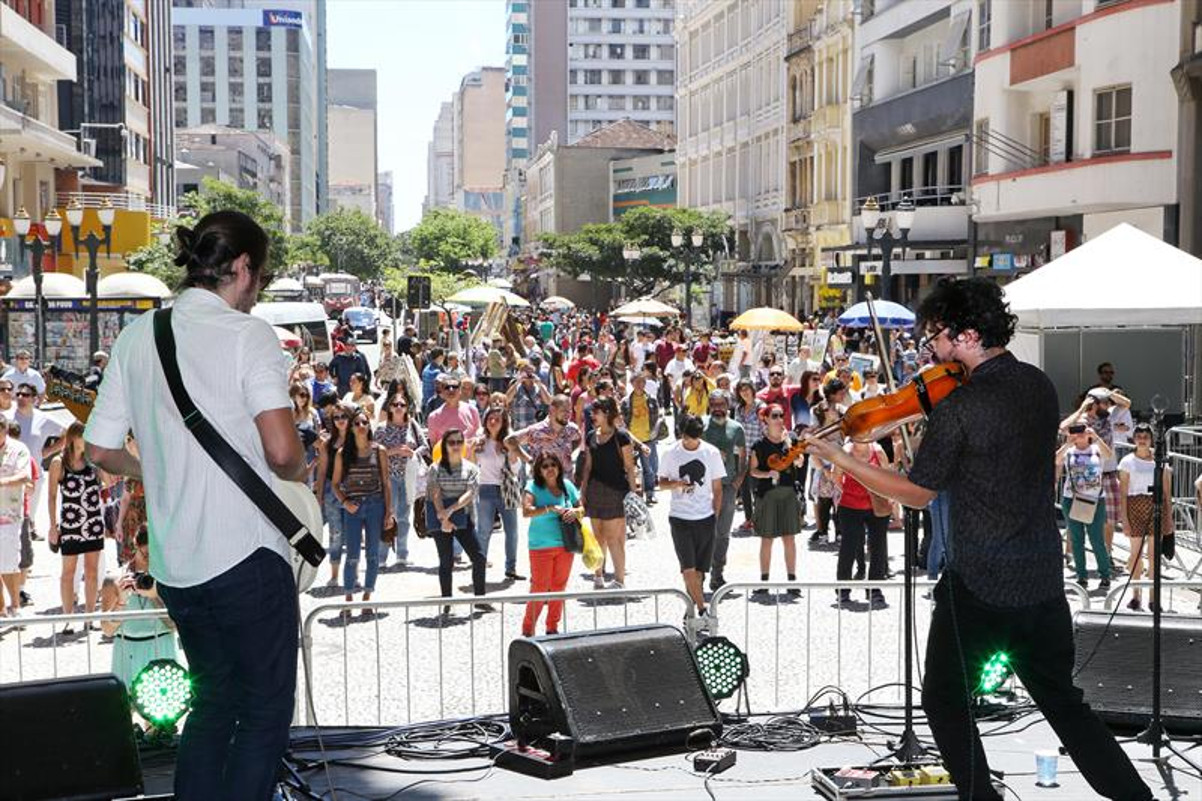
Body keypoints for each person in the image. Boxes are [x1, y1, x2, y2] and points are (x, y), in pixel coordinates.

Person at [803, 276, 1151, 801]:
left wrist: (842, 457)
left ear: (965, 336)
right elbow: (991, 433)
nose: (932, 350)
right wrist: (900, 417)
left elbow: (918, 493)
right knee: (1063, 703)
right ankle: (1134, 797)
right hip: (1040, 577)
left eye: (938, 337)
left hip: (980, 584)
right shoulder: (1039, 385)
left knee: (944, 700)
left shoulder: (960, 407)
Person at [85, 210, 309, 801]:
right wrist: (301, 471)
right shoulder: (247, 335)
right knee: (263, 714)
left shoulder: (139, 335)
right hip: (246, 556)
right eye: (256, 277)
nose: (255, 292)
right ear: (239, 267)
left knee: (212, 703)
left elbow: (101, 448)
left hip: (179, 568)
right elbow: (283, 452)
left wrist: (153, 468)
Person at [658, 413, 725, 621]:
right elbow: (661, 483)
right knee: (687, 569)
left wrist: (715, 515)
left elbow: (717, 488)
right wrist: (677, 484)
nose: (688, 442)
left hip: (705, 517)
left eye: (693, 438)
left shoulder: (711, 453)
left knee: (699, 573)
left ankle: (690, 610)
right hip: (680, 517)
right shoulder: (670, 453)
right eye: (686, 437)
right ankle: (703, 610)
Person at [100, 526, 178, 691]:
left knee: (162, 714)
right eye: (146, 555)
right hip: (126, 651)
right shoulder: (115, 578)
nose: (151, 561)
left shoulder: (170, 578)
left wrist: (154, 596)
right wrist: (121, 601)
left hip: (161, 648)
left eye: (157, 555)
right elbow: (107, 630)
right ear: (136, 546)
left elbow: (175, 625)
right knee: (124, 711)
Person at [331, 406, 391, 614]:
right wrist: (345, 502)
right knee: (353, 554)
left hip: (375, 504)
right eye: (357, 423)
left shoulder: (379, 450)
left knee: (373, 554)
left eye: (365, 422)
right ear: (351, 428)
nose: (361, 426)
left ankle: (367, 596)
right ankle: (348, 598)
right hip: (353, 506)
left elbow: (386, 483)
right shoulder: (342, 453)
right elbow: (335, 484)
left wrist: (388, 511)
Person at [48, 422, 106, 629]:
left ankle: (90, 617)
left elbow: (107, 481)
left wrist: (101, 458)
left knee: (92, 571)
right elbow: (52, 496)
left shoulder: (92, 460)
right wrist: (53, 525)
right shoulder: (59, 463)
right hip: (71, 523)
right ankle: (68, 617)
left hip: (93, 523)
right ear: (74, 438)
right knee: (68, 572)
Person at [578, 396, 639, 590]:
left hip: (616, 491)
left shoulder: (621, 436)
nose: (592, 415)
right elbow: (587, 467)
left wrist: (633, 494)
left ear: (606, 413)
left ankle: (619, 580)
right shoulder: (589, 436)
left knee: (615, 538)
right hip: (595, 490)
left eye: (595, 412)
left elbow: (629, 467)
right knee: (597, 537)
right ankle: (598, 575)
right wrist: (583, 491)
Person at [426, 429, 489, 613]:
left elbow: (469, 494)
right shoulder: (435, 468)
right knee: (446, 560)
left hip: (462, 517)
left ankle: (480, 598)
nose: (455, 446)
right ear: (444, 445)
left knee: (479, 558)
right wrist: (442, 516)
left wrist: (450, 511)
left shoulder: (471, 468)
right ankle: (446, 600)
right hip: (440, 518)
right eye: (451, 442)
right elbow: (435, 493)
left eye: (458, 442)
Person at [521, 452, 581, 637]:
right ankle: (528, 630)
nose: (549, 469)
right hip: (540, 546)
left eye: (553, 464)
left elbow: (582, 507)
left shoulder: (567, 485)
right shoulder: (533, 487)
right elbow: (526, 511)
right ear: (539, 470)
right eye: (545, 466)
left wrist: (575, 512)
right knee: (539, 587)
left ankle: (552, 628)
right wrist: (548, 508)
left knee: (559, 587)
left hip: (565, 545)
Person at [747, 404, 803, 595]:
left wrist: (789, 444)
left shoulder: (792, 440)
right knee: (767, 539)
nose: (780, 419)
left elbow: (799, 462)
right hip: (768, 494)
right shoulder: (759, 445)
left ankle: (792, 580)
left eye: (782, 415)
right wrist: (767, 474)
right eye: (775, 416)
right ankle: (764, 581)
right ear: (766, 419)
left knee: (789, 538)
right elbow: (753, 470)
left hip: (788, 492)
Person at [1117, 422, 1171, 611]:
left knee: (1154, 556)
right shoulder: (1127, 462)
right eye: (1138, 437)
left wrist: (1169, 520)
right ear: (1134, 439)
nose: (1142, 440)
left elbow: (1166, 492)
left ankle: (1153, 598)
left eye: (1145, 437)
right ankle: (1135, 595)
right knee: (1136, 555)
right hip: (1134, 506)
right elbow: (1122, 493)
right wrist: (1124, 520)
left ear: (1150, 439)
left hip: (1155, 506)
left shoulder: (1160, 460)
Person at [833, 439, 892, 609]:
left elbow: (887, 476)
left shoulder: (878, 451)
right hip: (850, 506)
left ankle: (875, 589)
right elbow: (836, 477)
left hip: (875, 505)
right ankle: (843, 589)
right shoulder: (845, 452)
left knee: (878, 546)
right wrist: (849, 493)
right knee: (849, 546)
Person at [1056, 423, 1114, 592]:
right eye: (1076, 431)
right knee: (1076, 538)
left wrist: (1096, 437)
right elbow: (1056, 460)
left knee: (1097, 539)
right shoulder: (1069, 450)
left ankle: (1105, 575)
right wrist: (1068, 442)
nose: (1080, 434)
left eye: (1082, 431)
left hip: (1095, 499)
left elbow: (1109, 455)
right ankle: (1081, 576)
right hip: (1072, 498)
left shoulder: (1096, 448)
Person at [375, 388, 425, 570]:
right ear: (389, 407)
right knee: (387, 516)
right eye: (395, 404)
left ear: (407, 408)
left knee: (404, 517)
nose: (398, 407)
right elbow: (374, 452)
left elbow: (424, 446)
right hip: (388, 478)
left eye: (402, 405)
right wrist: (395, 451)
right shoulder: (381, 428)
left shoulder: (412, 425)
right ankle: (381, 556)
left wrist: (414, 453)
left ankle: (402, 554)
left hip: (408, 477)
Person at [472, 407, 525, 581]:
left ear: (504, 423)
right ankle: (479, 566)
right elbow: (472, 468)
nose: (493, 422)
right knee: (483, 531)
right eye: (490, 418)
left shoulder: (509, 442)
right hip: (485, 488)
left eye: (497, 419)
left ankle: (511, 568)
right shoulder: (479, 442)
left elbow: (517, 469)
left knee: (512, 531)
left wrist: (511, 453)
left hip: (506, 489)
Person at [701, 391, 745, 591]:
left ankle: (717, 573)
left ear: (728, 406)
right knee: (703, 531)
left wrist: (737, 483)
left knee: (723, 533)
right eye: (714, 404)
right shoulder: (701, 425)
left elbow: (743, 458)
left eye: (722, 404)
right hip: (704, 487)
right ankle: (700, 572)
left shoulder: (737, 429)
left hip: (727, 486)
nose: (718, 408)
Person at [314, 404, 352, 586]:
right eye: (336, 417)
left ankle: (353, 575)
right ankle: (335, 574)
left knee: (353, 534)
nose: (341, 420)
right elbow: (321, 472)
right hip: (331, 492)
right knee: (335, 534)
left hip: (353, 491)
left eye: (344, 416)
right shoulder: (327, 444)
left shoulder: (358, 440)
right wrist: (319, 497)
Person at [509, 395, 583, 484]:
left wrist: (568, 452)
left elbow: (578, 438)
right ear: (552, 410)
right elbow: (509, 441)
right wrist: (529, 459)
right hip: (542, 486)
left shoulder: (571, 429)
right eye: (564, 411)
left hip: (565, 485)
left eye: (569, 411)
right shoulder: (536, 430)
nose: (568, 415)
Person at [0, 419, 31, 619]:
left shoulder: (18, 449)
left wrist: (2, 481)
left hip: (9, 515)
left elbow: (24, 475)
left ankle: (15, 605)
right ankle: (1, 609)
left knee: (10, 563)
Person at [622, 374, 662, 506]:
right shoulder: (626, 401)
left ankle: (650, 494)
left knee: (649, 469)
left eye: (642, 381)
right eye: (637, 382)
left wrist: (653, 434)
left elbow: (656, 418)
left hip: (647, 439)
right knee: (629, 469)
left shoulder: (651, 399)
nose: (640, 384)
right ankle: (632, 496)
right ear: (632, 383)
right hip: (630, 440)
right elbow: (623, 421)